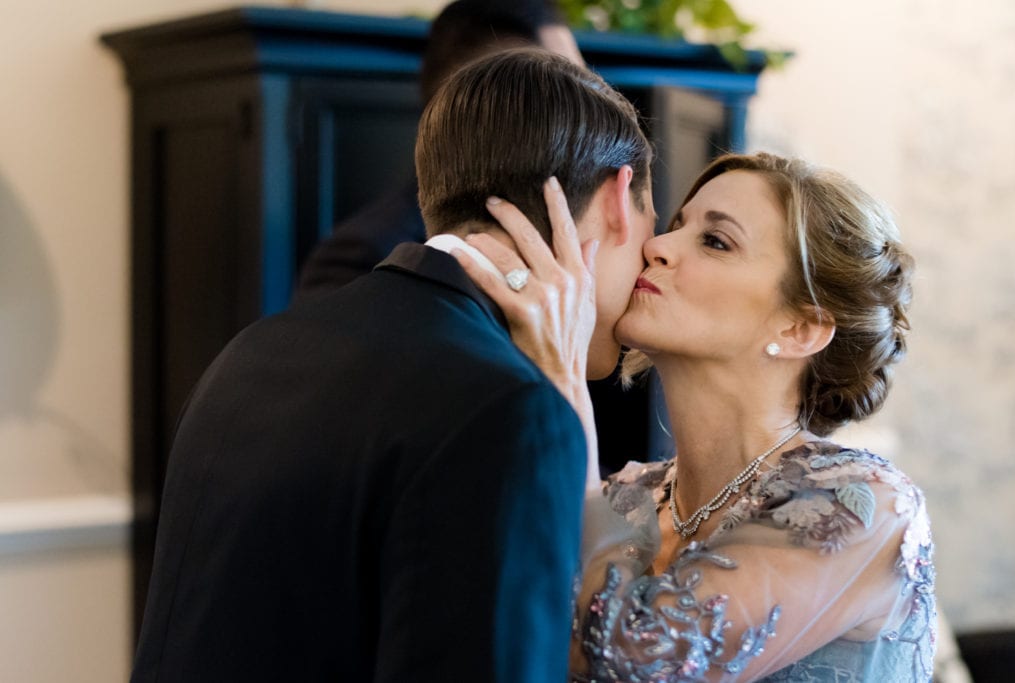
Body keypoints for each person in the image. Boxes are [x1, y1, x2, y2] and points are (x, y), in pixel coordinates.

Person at [129, 48, 655, 682]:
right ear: (618, 198)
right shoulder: (514, 413)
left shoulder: (253, 351)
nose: (650, 263)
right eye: (654, 226)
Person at [460, 151, 937, 680]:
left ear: (800, 329)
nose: (657, 247)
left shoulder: (863, 506)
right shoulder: (627, 496)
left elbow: (631, 657)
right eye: (676, 226)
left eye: (715, 241)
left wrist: (562, 371)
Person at [295, 0, 583, 295]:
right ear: (484, 103)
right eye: (565, 94)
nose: (589, 114)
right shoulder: (358, 259)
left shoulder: (580, 234)